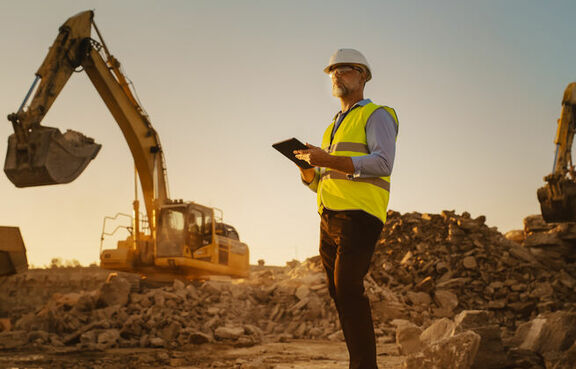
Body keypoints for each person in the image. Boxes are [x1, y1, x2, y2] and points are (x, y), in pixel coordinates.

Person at [294, 48, 398, 369]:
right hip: (329, 217)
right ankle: (360, 362)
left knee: (349, 288)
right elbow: (323, 180)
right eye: (333, 71)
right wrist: (308, 169)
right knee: (340, 292)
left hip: (360, 214)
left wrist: (328, 159)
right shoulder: (334, 126)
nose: (337, 75)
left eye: (345, 69)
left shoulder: (377, 114)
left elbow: (383, 163)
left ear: (363, 75)